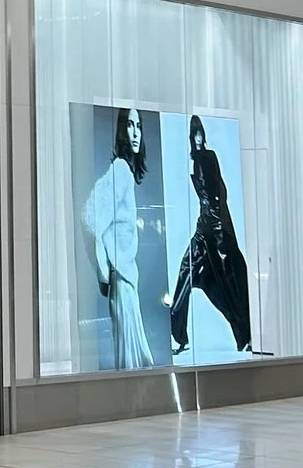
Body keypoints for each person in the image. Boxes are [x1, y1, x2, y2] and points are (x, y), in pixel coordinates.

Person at [169, 115, 253, 355]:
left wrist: (222, 228)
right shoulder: (194, 160)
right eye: (194, 134)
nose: (197, 138)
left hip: (213, 228)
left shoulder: (208, 156)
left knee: (224, 284)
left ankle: (243, 334)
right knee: (187, 270)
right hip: (203, 227)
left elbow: (220, 191)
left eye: (199, 133)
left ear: (203, 135)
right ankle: (179, 336)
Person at [80, 111, 155, 369]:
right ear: (121, 131)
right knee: (132, 362)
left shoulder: (125, 174)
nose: (135, 132)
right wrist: (105, 270)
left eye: (138, 126)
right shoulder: (121, 171)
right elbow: (90, 218)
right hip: (121, 281)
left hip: (126, 281)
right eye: (129, 125)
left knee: (135, 360)